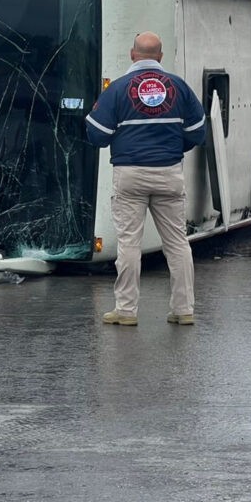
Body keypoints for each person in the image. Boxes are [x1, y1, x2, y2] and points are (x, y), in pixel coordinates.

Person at [86, 32, 206, 326]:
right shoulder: (179, 87)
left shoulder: (118, 89)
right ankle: (183, 309)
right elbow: (198, 131)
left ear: (132, 54)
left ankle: (126, 311)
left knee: (129, 243)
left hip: (130, 175)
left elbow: (96, 134)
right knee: (177, 243)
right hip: (169, 173)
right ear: (160, 57)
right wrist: (174, 147)